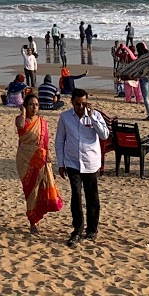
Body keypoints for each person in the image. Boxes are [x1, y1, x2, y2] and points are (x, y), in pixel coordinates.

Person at [55, 90, 109, 245]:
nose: (80, 107)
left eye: (83, 104)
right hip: (72, 162)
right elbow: (59, 141)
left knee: (92, 197)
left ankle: (92, 230)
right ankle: (77, 229)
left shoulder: (95, 116)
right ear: (72, 102)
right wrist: (61, 163)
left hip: (91, 162)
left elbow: (105, 135)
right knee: (76, 197)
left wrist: (92, 116)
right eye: (77, 103)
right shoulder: (65, 117)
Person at [14, 91, 55, 233]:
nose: (34, 107)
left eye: (36, 105)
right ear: (26, 106)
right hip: (25, 160)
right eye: (31, 104)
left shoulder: (42, 122)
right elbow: (20, 126)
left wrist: (48, 155)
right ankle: (33, 220)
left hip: (41, 158)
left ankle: (36, 220)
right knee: (30, 190)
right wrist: (23, 112)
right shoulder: (21, 119)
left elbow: (45, 141)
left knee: (40, 189)